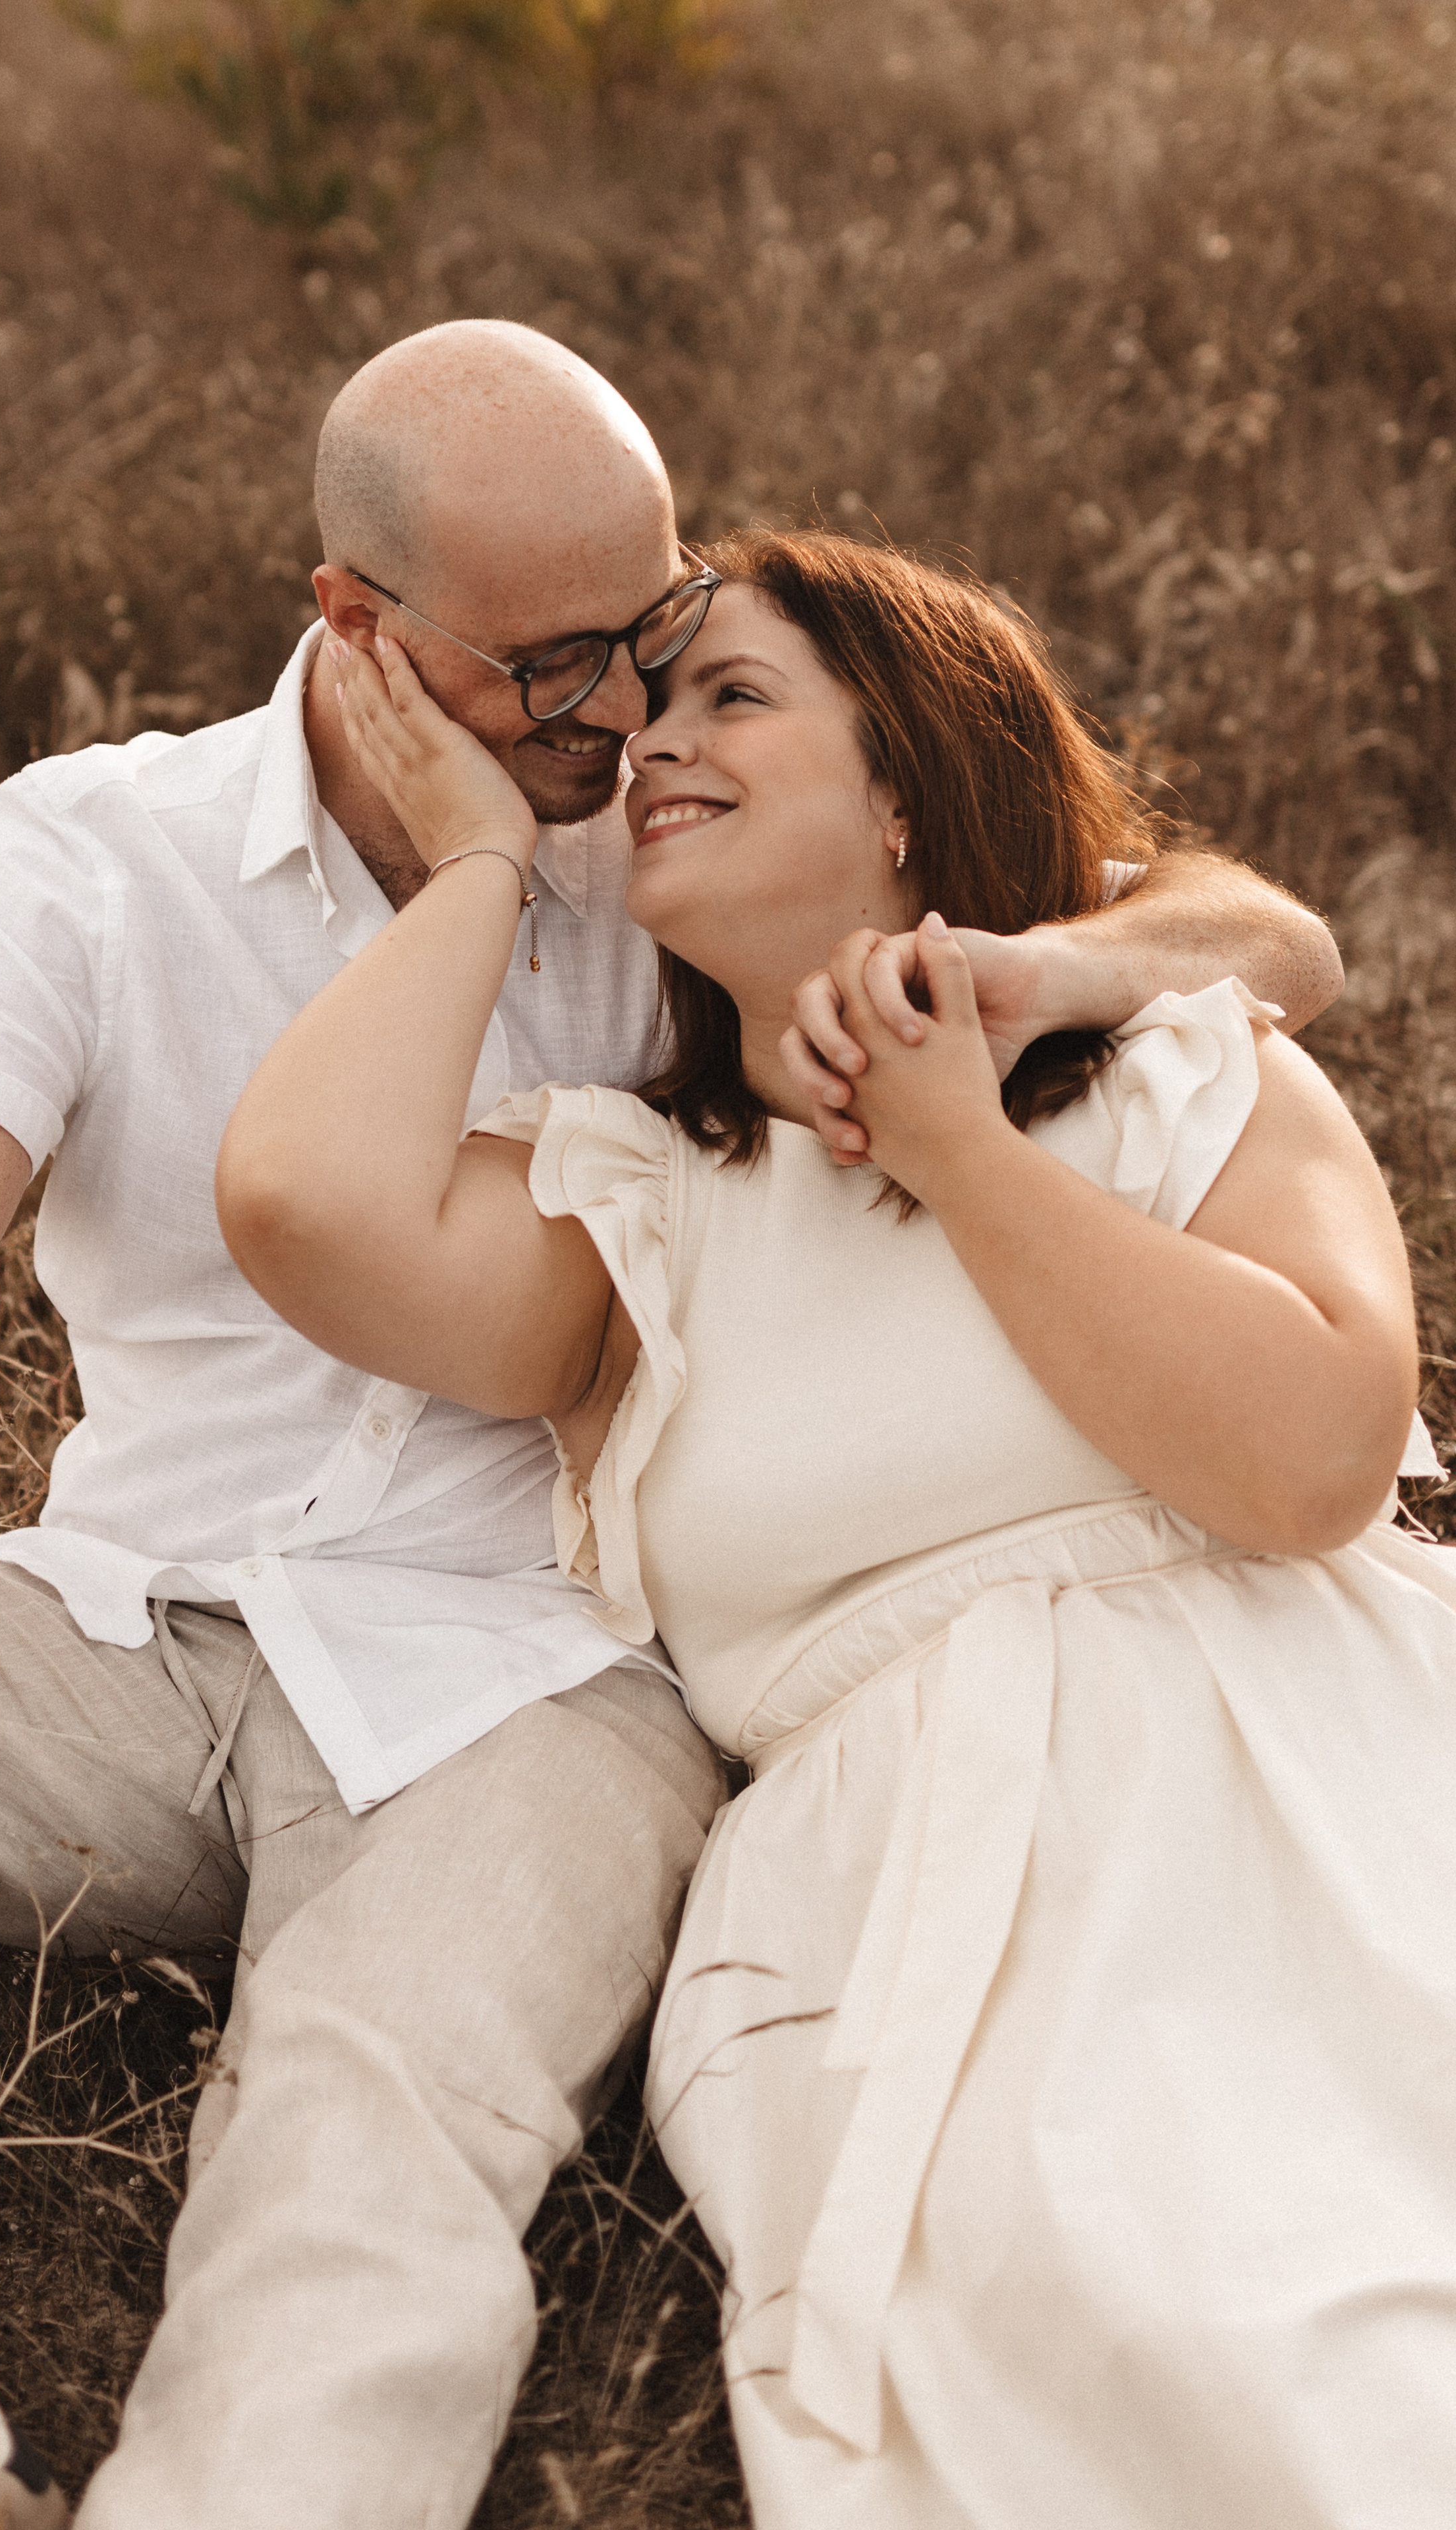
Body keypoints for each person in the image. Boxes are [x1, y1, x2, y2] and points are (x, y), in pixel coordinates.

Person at [0, 314, 1339, 2530]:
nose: (621, 713)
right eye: (556, 668)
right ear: (359, 625)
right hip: (117, 1634)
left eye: (658, 631)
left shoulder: (680, 841)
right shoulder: (93, 852)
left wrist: (1047, 966)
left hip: (530, 1682)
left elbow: (1229, 916)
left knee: (373, 2109)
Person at [216, 524, 1456, 2530]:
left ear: (902, 794)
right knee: (1098, 2346)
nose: (651, 743)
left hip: (1295, 1794)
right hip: (900, 1909)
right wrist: (482, 865)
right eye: (651, 711)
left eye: (733, 695)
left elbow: (1314, 1462)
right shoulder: (645, 1213)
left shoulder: (1171, 1078)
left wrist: (959, 1141)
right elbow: (303, 1202)